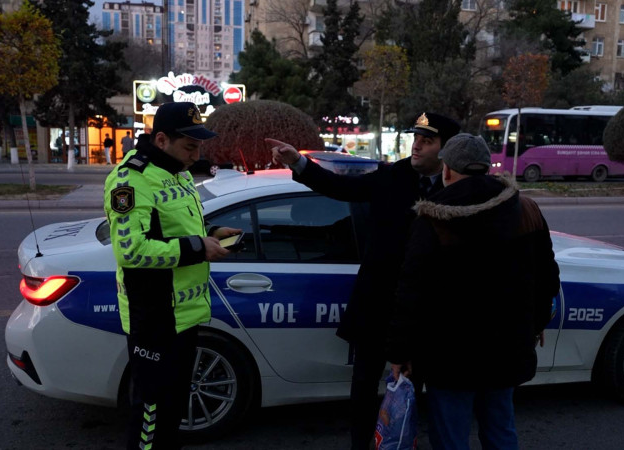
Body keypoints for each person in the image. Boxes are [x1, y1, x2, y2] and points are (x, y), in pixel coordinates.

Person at [267, 111, 462, 450]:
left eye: (427, 141)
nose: (416, 146)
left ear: (446, 151)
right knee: (364, 384)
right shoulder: (393, 176)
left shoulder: (456, 187)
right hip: (378, 302)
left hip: (423, 308)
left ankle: (401, 442)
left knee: (413, 387)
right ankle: (361, 444)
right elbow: (341, 187)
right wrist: (298, 162)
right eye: (416, 138)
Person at [385, 133, 560, 450]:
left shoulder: (434, 219)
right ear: (487, 169)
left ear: (447, 171)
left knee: (450, 437)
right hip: (507, 349)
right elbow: (547, 276)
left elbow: (411, 292)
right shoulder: (526, 210)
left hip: (450, 356)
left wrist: (399, 352)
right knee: (501, 429)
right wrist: (536, 324)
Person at [104, 102, 241, 450]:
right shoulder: (129, 180)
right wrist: (199, 247)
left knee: (174, 409)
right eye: (190, 146)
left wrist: (211, 231)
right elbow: (131, 250)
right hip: (154, 319)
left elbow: (174, 225)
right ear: (161, 139)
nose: (196, 155)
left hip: (186, 317)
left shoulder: (177, 171)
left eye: (199, 147)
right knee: (150, 415)